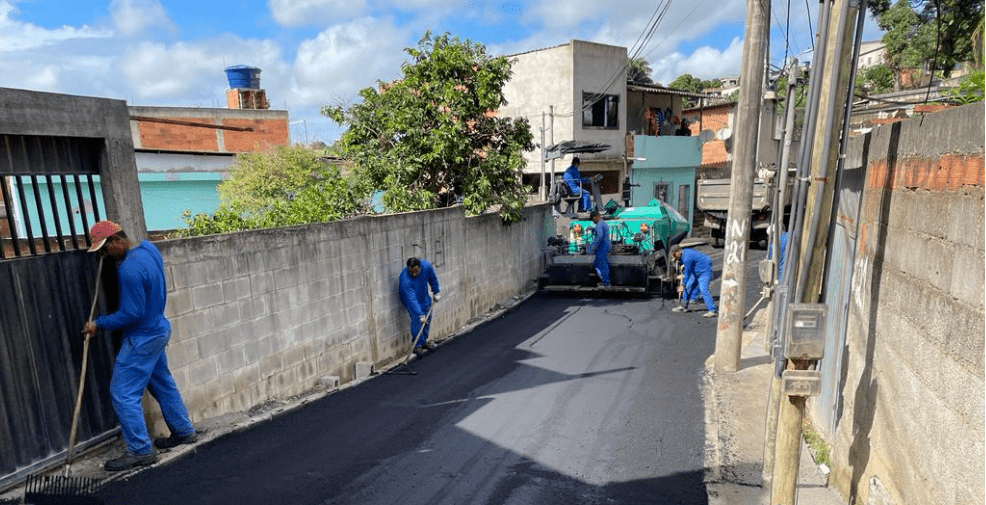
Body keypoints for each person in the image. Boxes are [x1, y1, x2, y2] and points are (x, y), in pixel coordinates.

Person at [81, 220, 197, 472]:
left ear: (116, 241)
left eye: (104, 248)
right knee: (162, 383)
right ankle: (184, 431)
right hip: (158, 329)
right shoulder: (149, 250)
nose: (103, 254)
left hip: (141, 338)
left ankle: (140, 451)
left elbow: (132, 312)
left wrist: (98, 324)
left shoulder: (128, 270)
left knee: (123, 393)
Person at [398, 257, 441, 355]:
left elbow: (432, 278)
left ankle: (423, 341)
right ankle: (417, 345)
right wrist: (419, 314)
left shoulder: (426, 267)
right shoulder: (405, 278)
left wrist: (436, 291)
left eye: (416, 270)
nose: (414, 273)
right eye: (411, 271)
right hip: (411, 300)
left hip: (424, 296)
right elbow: (411, 299)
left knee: (427, 319)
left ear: (419, 267)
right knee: (417, 320)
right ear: (408, 268)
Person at [670, 244, 718, 317]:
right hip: (696, 271)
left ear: (678, 251)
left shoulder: (686, 257)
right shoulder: (684, 252)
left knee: (703, 289)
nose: (675, 257)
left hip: (704, 272)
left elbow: (687, 272)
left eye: (674, 254)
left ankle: (712, 310)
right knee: (688, 286)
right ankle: (684, 306)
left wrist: (683, 283)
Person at [588, 210, 611, 288]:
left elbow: (599, 236)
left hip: (602, 246)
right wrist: (593, 229)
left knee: (602, 264)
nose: (593, 221)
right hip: (604, 246)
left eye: (592, 219)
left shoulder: (599, 225)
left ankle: (605, 282)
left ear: (595, 217)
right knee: (598, 263)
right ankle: (603, 280)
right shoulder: (603, 224)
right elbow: (600, 233)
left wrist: (594, 246)